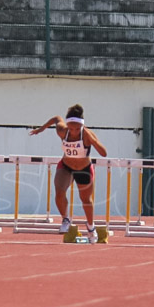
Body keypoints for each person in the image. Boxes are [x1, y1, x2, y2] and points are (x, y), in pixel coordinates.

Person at [30, 104, 108, 243]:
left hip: (83, 169)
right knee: (59, 192)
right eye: (71, 128)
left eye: (77, 129)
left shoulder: (87, 135)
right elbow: (56, 119)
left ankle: (91, 227)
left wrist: (93, 141)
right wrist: (41, 129)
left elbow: (104, 153)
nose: (73, 132)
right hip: (66, 166)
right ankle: (66, 219)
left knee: (86, 200)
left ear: (82, 126)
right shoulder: (62, 131)